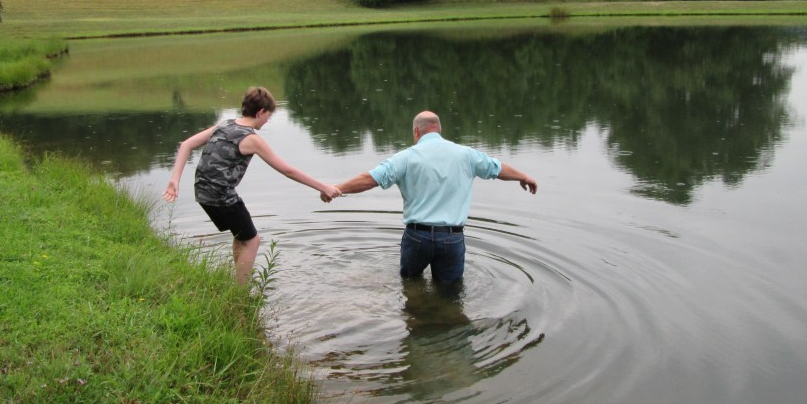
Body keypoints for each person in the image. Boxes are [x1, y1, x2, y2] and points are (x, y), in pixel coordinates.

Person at [324, 110, 537, 284]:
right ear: (439, 130)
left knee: (410, 285)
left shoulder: (406, 157)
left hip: (417, 237)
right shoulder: (466, 154)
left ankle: (416, 320)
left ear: (416, 132)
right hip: (452, 238)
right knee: (451, 294)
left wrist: (336, 189)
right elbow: (496, 169)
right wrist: (523, 176)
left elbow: (370, 179)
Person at [163, 86, 341, 284]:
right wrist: (322, 187)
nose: (267, 121)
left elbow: (186, 144)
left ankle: (237, 282)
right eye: (268, 116)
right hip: (221, 196)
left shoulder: (224, 125)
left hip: (202, 193)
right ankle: (240, 293)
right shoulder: (251, 138)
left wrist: (175, 180)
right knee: (253, 241)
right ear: (261, 112)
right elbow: (287, 170)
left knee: (242, 237)